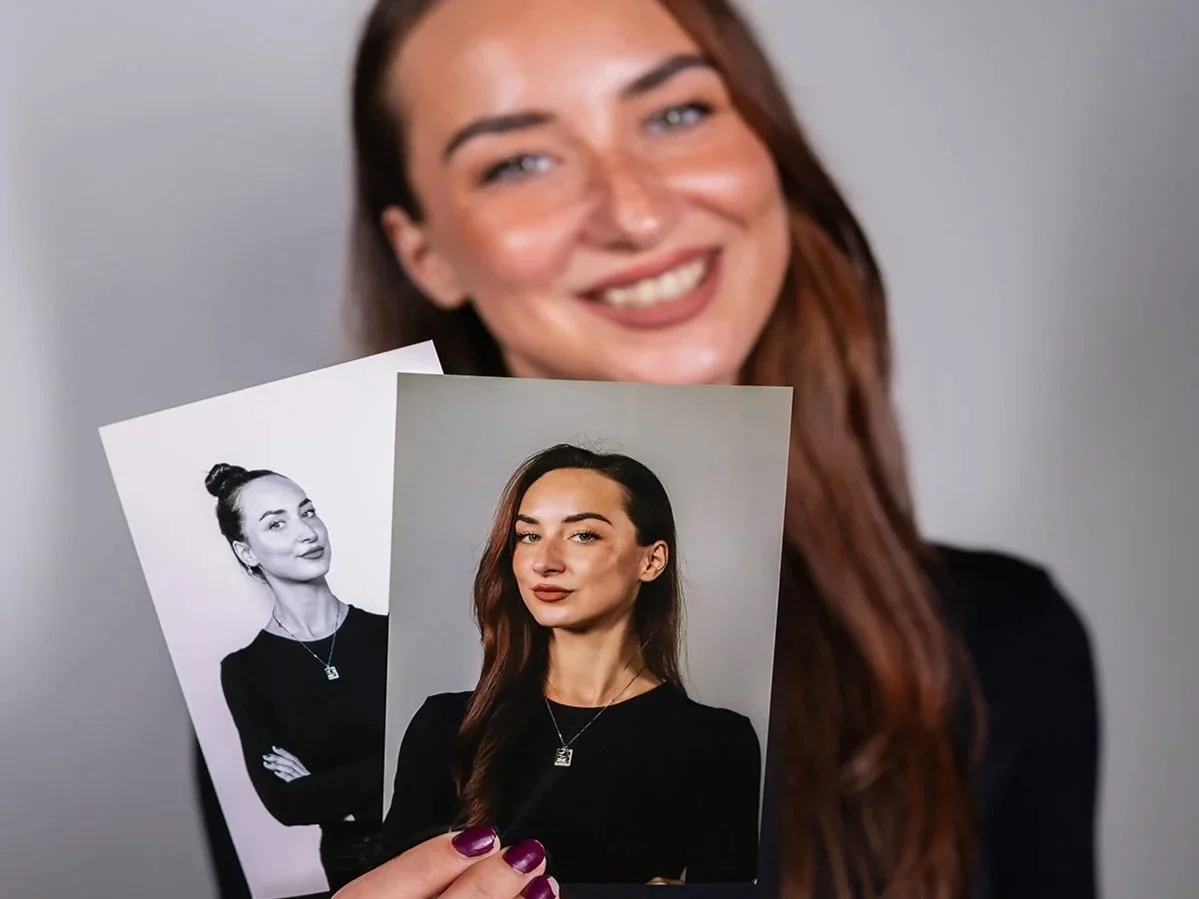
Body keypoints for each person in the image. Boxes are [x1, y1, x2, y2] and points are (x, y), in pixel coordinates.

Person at [195, 1, 1101, 897]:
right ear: (424, 251)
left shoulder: (1004, 649)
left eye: (676, 113)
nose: (632, 212)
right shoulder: (394, 720)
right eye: (519, 160)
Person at [380, 444, 762, 884]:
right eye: (529, 535)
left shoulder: (719, 744)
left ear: (651, 560)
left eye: (583, 535)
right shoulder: (446, 725)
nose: (545, 562)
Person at [205, 463, 390, 894]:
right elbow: (287, 804)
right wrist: (395, 765)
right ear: (246, 551)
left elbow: (452, 756)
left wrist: (323, 786)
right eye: (276, 524)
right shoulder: (246, 671)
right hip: (354, 862)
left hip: (444, 837)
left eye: (307, 512)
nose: (307, 532)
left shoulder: (393, 633)